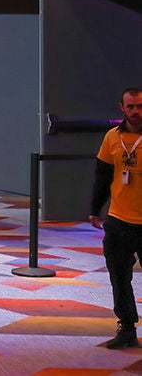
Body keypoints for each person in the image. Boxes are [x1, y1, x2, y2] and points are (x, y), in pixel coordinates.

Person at [91, 86, 142, 349]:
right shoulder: (112, 137)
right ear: (121, 108)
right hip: (120, 220)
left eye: (140, 106)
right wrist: (95, 208)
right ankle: (127, 328)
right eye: (130, 106)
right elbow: (103, 175)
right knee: (119, 277)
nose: (135, 111)